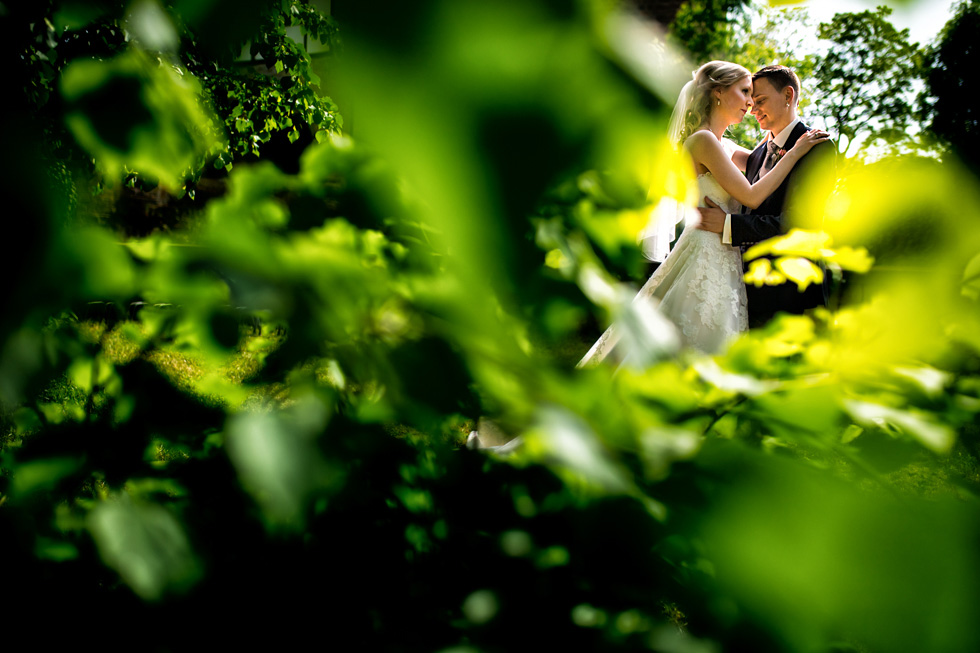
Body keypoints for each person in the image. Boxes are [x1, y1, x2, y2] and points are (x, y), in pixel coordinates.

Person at [578, 61, 828, 365]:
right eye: (745, 92)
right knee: (691, 337)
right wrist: (796, 152)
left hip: (732, 262)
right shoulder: (702, 140)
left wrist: (783, 145)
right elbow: (753, 193)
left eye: (755, 96)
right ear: (719, 92)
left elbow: (766, 169)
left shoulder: (729, 147)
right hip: (706, 252)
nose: (750, 105)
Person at [696, 65, 836, 327]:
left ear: (788, 96)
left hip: (792, 294)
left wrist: (728, 225)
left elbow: (800, 223)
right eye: (750, 101)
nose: (752, 108)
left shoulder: (818, 147)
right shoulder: (757, 153)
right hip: (746, 291)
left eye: (760, 100)